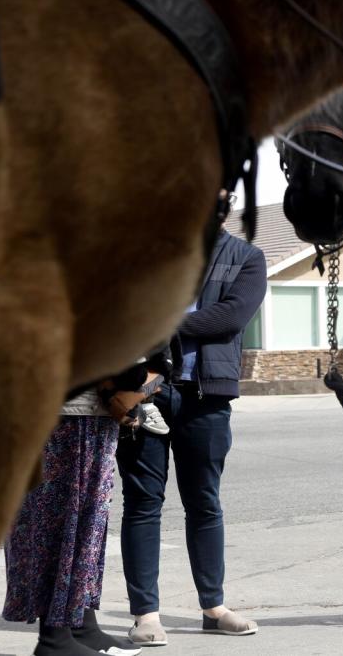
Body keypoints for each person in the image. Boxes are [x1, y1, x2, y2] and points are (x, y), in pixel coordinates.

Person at [116, 224, 267, 646]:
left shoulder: (246, 257)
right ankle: (146, 616)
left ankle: (213, 608)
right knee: (142, 501)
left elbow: (231, 317)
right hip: (144, 392)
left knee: (204, 502)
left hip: (207, 397)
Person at [3, 369, 148, 656]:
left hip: (89, 407)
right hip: (59, 409)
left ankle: (79, 622)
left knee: (86, 524)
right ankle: (54, 638)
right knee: (58, 523)